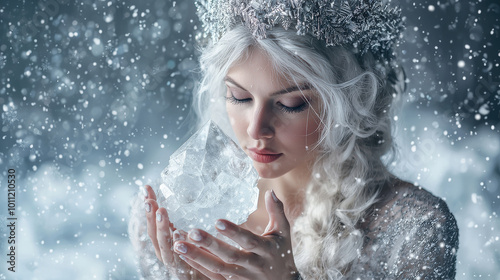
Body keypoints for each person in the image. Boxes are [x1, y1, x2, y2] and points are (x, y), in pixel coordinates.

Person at [128, 0, 459, 279]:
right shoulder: (177, 217)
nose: (257, 129)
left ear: (346, 103)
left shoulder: (413, 228)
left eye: (291, 104)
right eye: (239, 97)